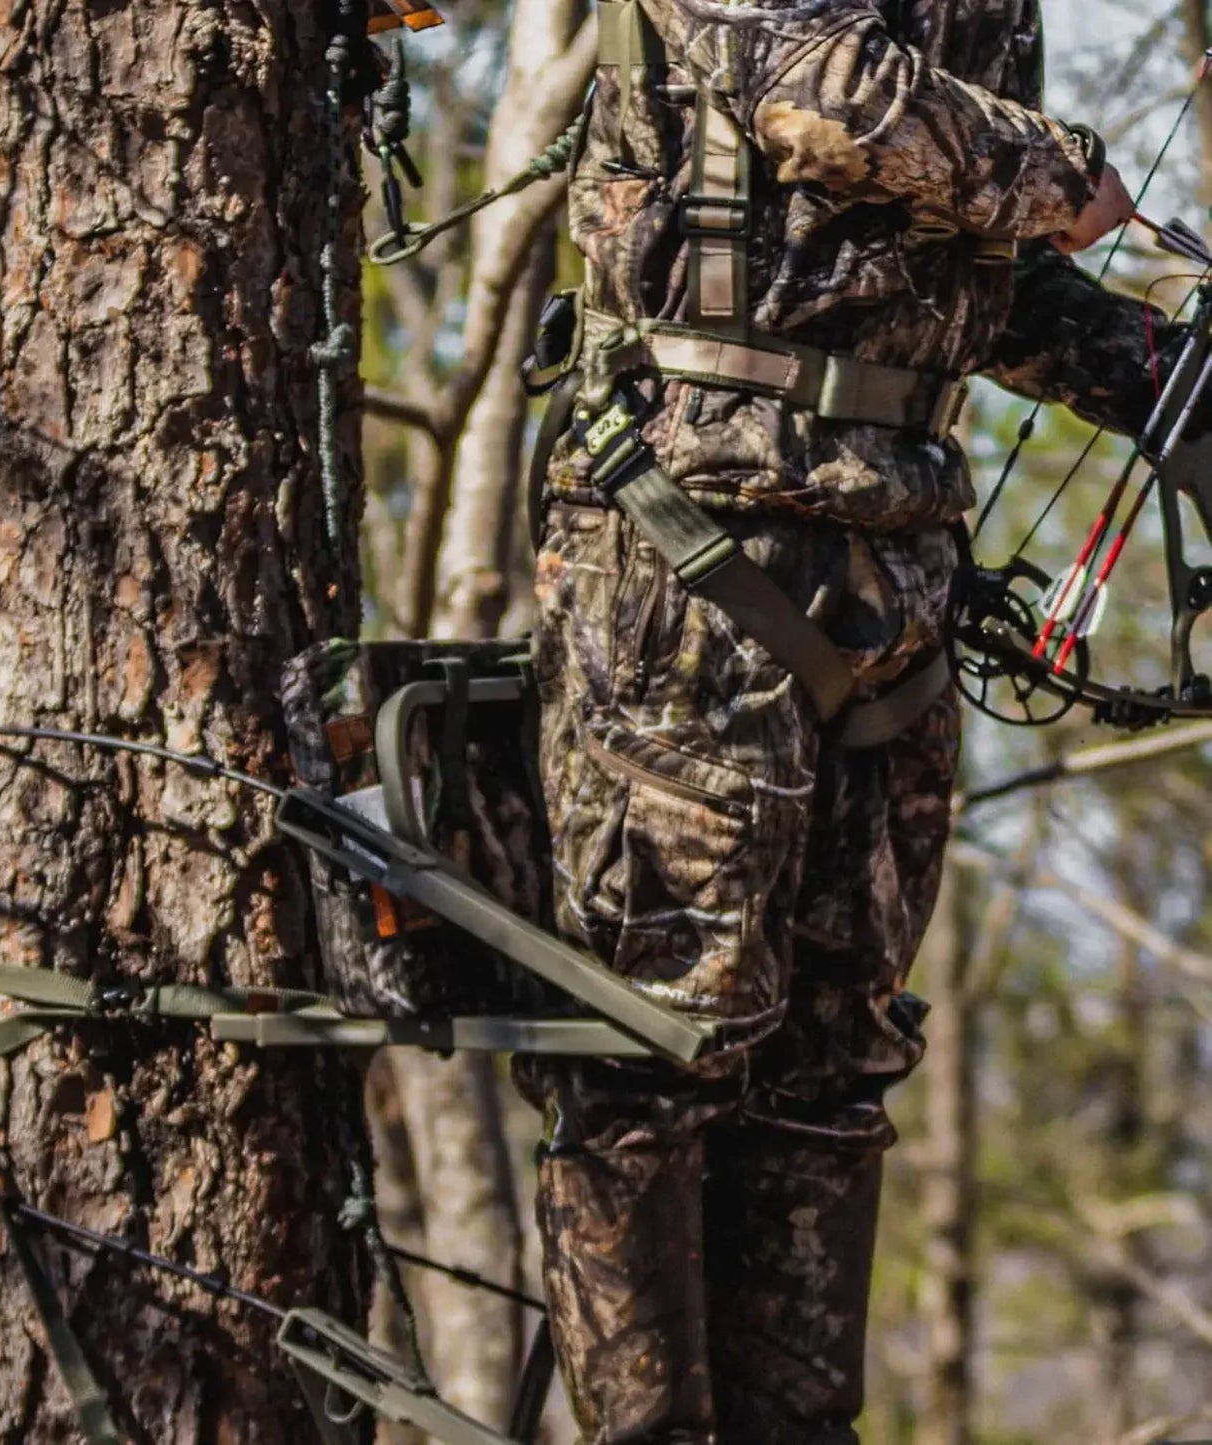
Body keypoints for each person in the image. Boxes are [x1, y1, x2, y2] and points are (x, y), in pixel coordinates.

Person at [514, 1, 1164, 1440]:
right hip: (688, 531)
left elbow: (963, 272)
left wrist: (1156, 375)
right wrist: (1068, 177)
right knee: (656, 1036)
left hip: (900, 551)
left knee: (836, 1050)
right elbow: (823, 99)